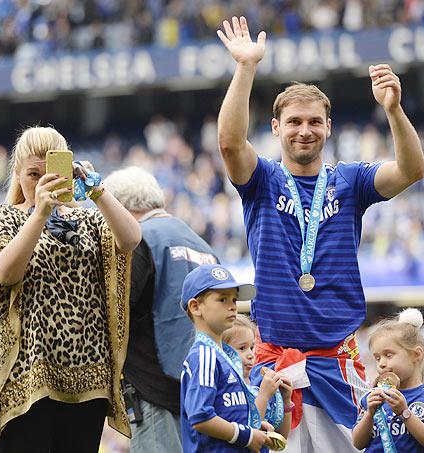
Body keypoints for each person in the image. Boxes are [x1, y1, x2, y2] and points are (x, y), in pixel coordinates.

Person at [216, 15, 424, 451]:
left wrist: (393, 110)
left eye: (314, 121)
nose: (304, 130)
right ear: (276, 129)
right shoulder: (261, 181)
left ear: (328, 127)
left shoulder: (350, 181)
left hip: (337, 363)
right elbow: (230, 144)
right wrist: (246, 67)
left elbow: (411, 170)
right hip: (276, 366)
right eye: (293, 122)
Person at [0, 126, 141, 452]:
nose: (40, 182)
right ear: (17, 174)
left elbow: (131, 238)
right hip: (28, 376)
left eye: (49, 174)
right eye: (32, 174)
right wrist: (39, 213)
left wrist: (96, 189)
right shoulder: (6, 217)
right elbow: (5, 274)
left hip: (88, 377)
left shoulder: (89, 220)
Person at [104, 166, 218, 453]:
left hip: (156, 394)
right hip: (206, 394)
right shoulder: (202, 244)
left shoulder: (139, 239)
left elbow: (115, 313)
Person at [179, 264, 269, 452]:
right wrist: (247, 435)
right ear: (195, 307)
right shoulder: (204, 354)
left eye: (234, 300)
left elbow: (229, 414)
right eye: (222, 299)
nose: (232, 307)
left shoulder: (225, 356)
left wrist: (254, 428)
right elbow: (201, 416)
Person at [352, 308, 424, 452]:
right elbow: (357, 443)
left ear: (416, 355)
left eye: (389, 355)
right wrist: (369, 414)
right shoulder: (371, 397)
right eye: (377, 358)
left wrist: (404, 412)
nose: (382, 363)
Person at [222, 314, 293, 441]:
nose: (250, 355)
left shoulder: (257, 379)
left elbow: (280, 437)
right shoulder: (226, 386)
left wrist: (285, 401)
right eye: (242, 348)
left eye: (252, 347)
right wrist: (263, 396)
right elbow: (249, 432)